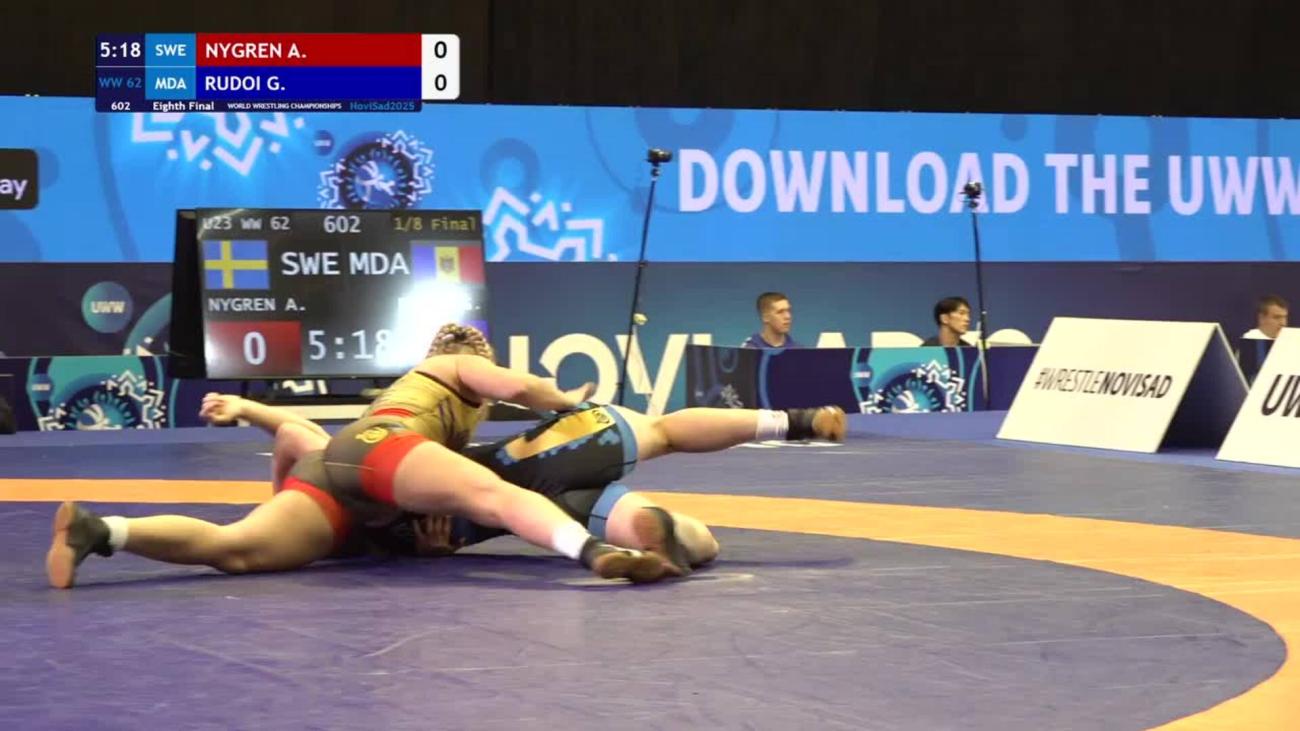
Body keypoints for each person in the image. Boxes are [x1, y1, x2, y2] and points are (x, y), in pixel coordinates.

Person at [47, 325, 847, 588]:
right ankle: (595, 551)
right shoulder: (451, 369)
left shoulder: (397, 421)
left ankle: (104, 530)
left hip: (349, 492)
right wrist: (561, 400)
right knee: (498, 496)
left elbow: (308, 440)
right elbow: (516, 386)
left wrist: (253, 411)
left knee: (236, 548)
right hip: (390, 469)